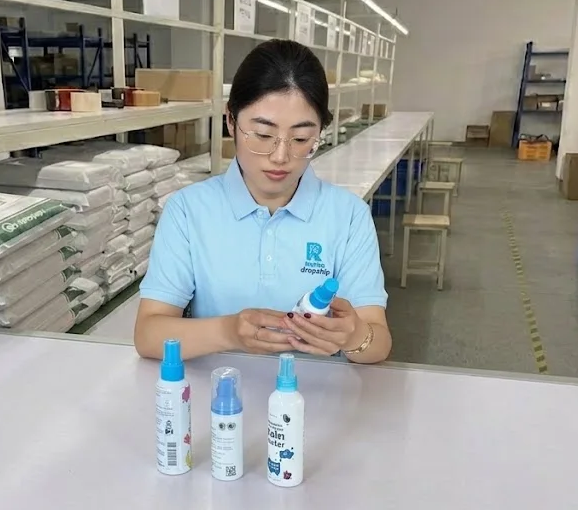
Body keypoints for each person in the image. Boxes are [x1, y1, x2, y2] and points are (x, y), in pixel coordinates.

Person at [133, 39, 391, 364]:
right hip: (217, 391)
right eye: (263, 135)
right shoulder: (188, 211)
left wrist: (354, 336)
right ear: (231, 121)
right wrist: (229, 332)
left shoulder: (348, 215)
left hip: (316, 392)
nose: (280, 156)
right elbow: (148, 335)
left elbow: (379, 342)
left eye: (301, 138)